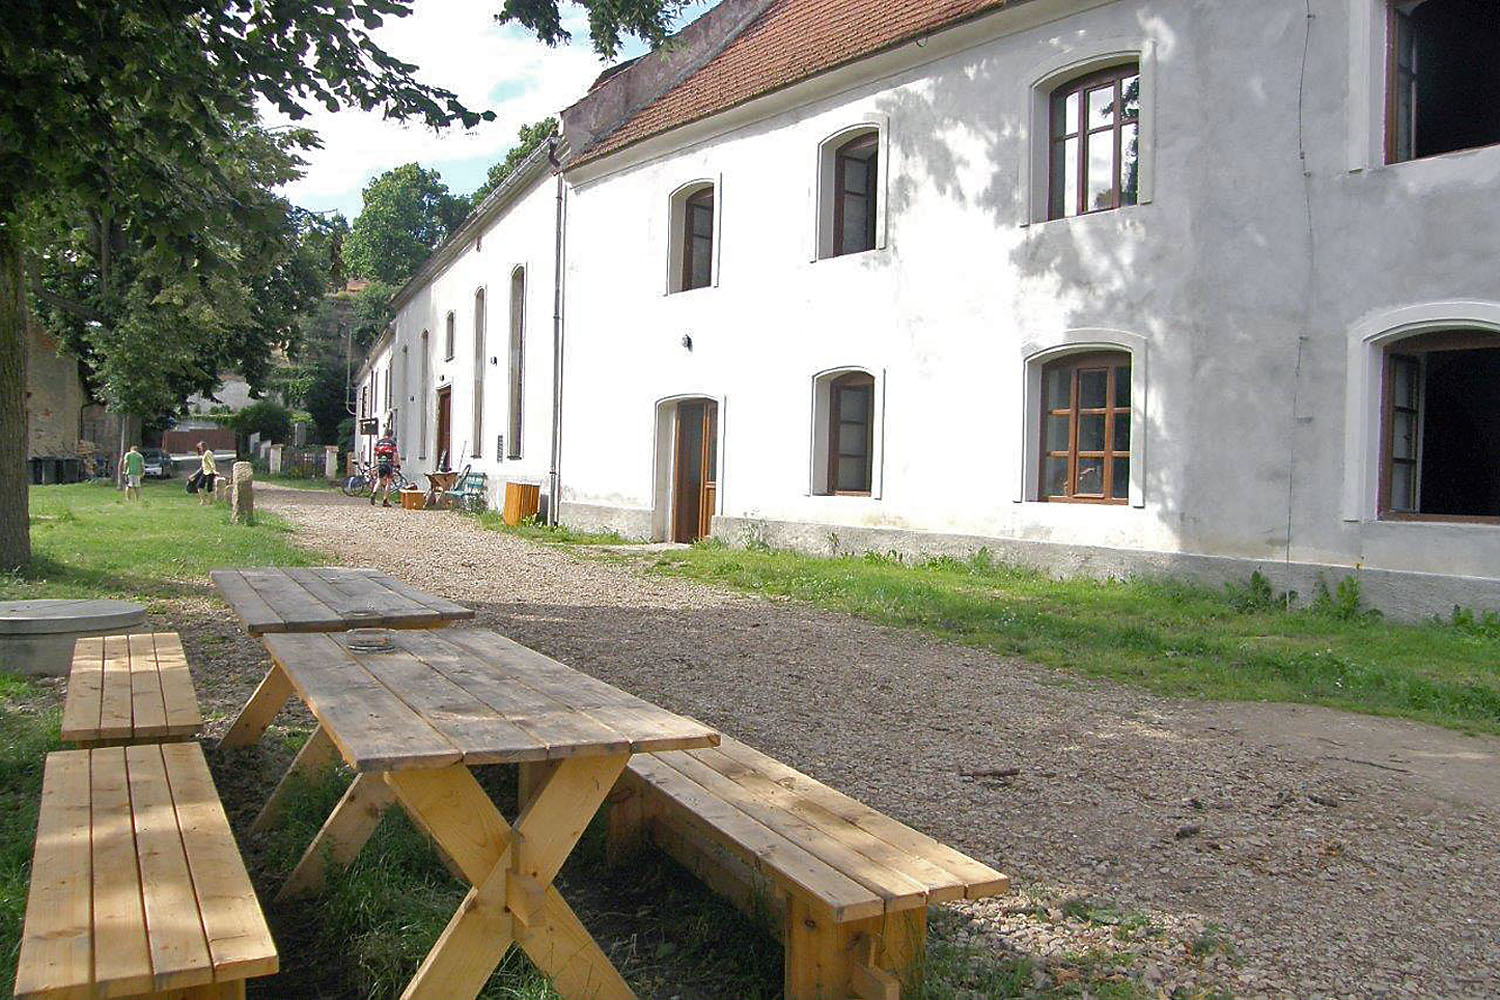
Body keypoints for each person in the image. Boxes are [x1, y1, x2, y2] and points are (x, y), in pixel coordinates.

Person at [371, 427, 400, 507]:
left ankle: (374, 492)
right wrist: (396, 464)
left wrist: (375, 465)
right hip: (389, 464)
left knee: (379, 480)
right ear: (391, 435)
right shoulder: (392, 443)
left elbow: (375, 454)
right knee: (389, 482)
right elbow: (395, 454)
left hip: (380, 463)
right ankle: (385, 500)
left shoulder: (379, 442)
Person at [196, 441, 217, 506]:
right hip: (205, 472)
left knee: (209, 488)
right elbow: (203, 466)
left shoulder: (208, 453)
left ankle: (210, 502)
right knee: (199, 485)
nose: (200, 449)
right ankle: (203, 501)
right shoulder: (204, 454)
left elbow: (211, 462)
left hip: (210, 472)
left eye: (200, 447)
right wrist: (194, 475)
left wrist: (214, 471)